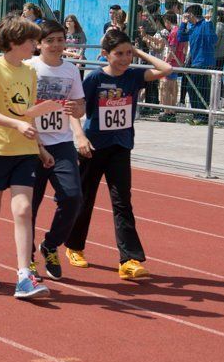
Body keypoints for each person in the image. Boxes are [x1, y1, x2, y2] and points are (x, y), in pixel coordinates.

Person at [65, 29, 171, 279]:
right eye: (119, 54)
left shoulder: (134, 75)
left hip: (121, 147)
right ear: (105, 55)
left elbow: (166, 69)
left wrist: (138, 51)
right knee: (84, 199)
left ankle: (129, 259)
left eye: (128, 53)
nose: (125, 59)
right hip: (92, 148)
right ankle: (74, 247)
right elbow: (76, 110)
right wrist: (79, 136)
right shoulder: (94, 79)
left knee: (123, 203)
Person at [0, 15, 62, 300]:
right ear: (13, 43)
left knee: (23, 210)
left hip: (24, 151)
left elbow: (27, 114)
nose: (35, 46)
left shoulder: (29, 72)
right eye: (31, 42)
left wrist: (41, 148)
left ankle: (24, 274)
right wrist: (16, 125)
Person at [28, 20, 86, 281]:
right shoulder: (29, 68)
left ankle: (50, 245)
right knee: (28, 206)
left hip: (62, 144)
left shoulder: (71, 71)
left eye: (60, 39)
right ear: (38, 43)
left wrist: (78, 114)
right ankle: (26, 258)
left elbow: (80, 106)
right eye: (49, 40)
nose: (55, 45)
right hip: (29, 144)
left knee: (73, 198)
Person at [177, 4, 217, 125]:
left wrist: (209, 23)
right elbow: (180, 38)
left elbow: (213, 40)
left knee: (201, 89)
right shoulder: (193, 27)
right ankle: (197, 114)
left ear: (192, 15)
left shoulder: (205, 24)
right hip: (195, 62)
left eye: (187, 16)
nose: (187, 18)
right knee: (191, 88)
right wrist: (183, 23)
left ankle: (202, 116)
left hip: (204, 62)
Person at [158, 12, 183, 121]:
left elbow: (172, 49)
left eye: (165, 22)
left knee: (165, 88)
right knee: (173, 88)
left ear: (167, 21)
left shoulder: (173, 32)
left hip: (171, 62)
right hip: (177, 62)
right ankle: (172, 111)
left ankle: (167, 111)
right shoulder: (180, 31)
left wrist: (165, 62)